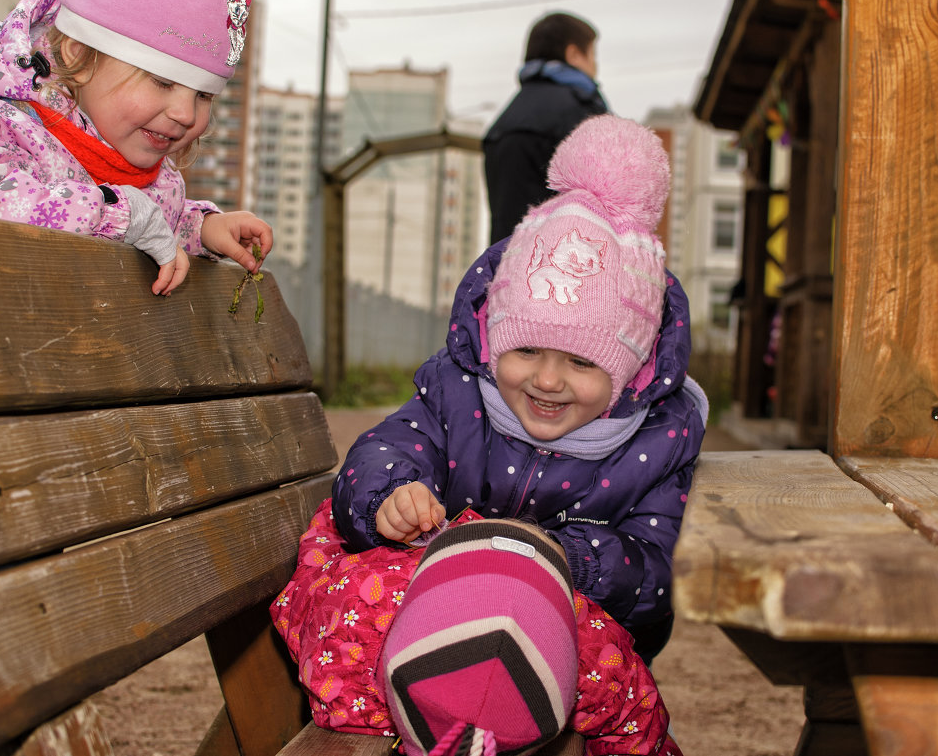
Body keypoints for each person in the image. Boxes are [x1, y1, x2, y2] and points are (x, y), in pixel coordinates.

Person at [334, 114, 707, 664]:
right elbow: (386, 447)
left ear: (627, 373)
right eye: (526, 350)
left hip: (577, 649)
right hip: (439, 624)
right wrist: (389, 496)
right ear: (492, 341)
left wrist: (573, 561)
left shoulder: (656, 440)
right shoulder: (456, 393)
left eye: (582, 362)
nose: (547, 380)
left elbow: (659, 566)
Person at [0, 0, 271, 296]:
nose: (187, 114)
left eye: (204, 95)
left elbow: (149, 218)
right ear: (80, 54)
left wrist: (197, 229)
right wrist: (125, 214)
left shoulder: (138, 167)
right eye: (163, 82)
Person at [272, 501, 683, 756]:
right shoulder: (595, 650)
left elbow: (310, 581)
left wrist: (329, 521)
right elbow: (638, 725)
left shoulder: (350, 624)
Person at [482, 11, 609, 245]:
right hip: (566, 268)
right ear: (573, 54)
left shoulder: (504, 122)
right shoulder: (582, 111)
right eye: (593, 55)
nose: (595, 66)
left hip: (507, 268)